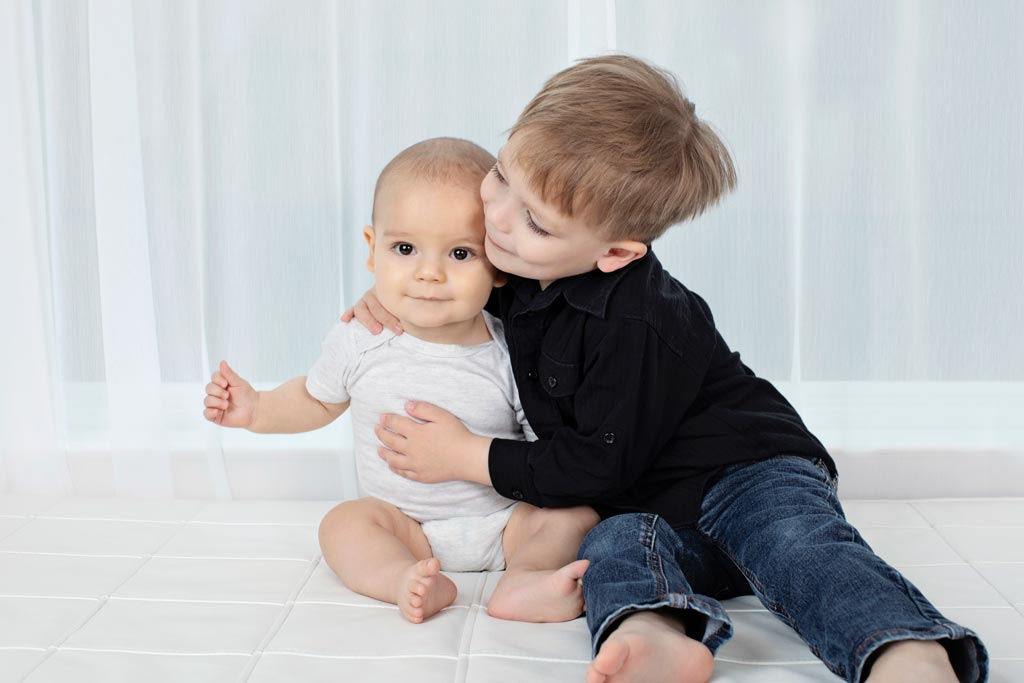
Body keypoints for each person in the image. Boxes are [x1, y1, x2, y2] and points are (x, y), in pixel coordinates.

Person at [343, 57, 988, 682]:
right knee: (614, 545)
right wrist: (394, 297)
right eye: (503, 176)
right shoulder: (521, 266)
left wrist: (470, 457)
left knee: (795, 547)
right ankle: (650, 634)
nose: (498, 221)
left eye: (535, 221)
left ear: (616, 252)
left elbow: (595, 464)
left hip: (745, 472)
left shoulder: (640, 322)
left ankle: (903, 651)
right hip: (647, 504)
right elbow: (454, 298)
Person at [203, 137, 597, 625]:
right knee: (343, 524)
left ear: (497, 263)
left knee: (574, 517)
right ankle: (402, 579)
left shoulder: (512, 349)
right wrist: (257, 410)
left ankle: (525, 578)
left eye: (459, 253)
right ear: (373, 250)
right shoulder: (361, 337)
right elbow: (315, 399)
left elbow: (542, 442)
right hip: (405, 525)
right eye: (405, 248)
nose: (428, 273)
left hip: (504, 521)